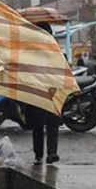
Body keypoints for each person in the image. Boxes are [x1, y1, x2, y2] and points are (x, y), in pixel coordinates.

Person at [24, 21, 62, 166]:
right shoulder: (52, 48)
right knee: (46, 124)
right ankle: (47, 153)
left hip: (41, 89)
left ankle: (44, 154)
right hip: (44, 89)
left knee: (41, 125)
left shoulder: (31, 49)